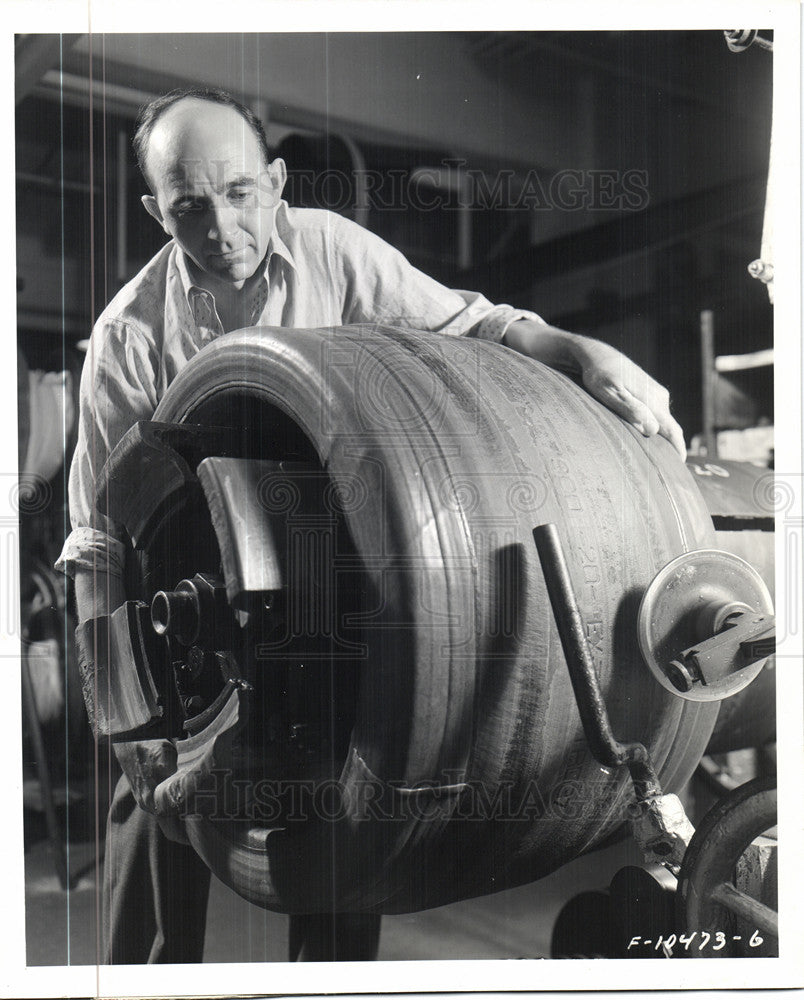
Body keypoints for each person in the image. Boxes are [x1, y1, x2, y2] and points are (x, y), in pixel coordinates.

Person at [56, 86, 685, 964]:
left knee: (352, 810)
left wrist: (580, 351)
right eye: (190, 205)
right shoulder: (128, 335)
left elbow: (473, 324)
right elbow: (95, 539)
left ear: (275, 182)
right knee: (147, 808)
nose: (221, 227)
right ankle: (142, 975)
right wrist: (123, 716)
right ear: (156, 209)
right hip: (187, 607)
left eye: (239, 193)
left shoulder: (334, 251)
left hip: (333, 580)